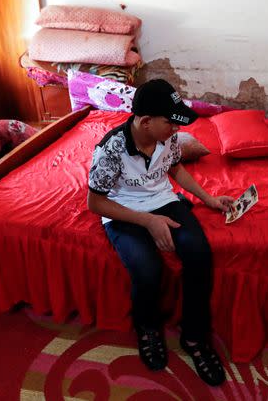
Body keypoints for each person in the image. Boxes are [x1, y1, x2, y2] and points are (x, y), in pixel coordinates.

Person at [87, 79, 233, 386]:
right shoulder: (110, 150)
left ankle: (194, 337)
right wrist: (147, 222)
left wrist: (208, 200)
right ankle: (148, 329)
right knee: (147, 268)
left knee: (199, 253)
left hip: (164, 201)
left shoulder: (168, 139)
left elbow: (175, 168)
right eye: (171, 122)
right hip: (122, 211)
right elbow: (96, 203)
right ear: (145, 121)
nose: (176, 129)